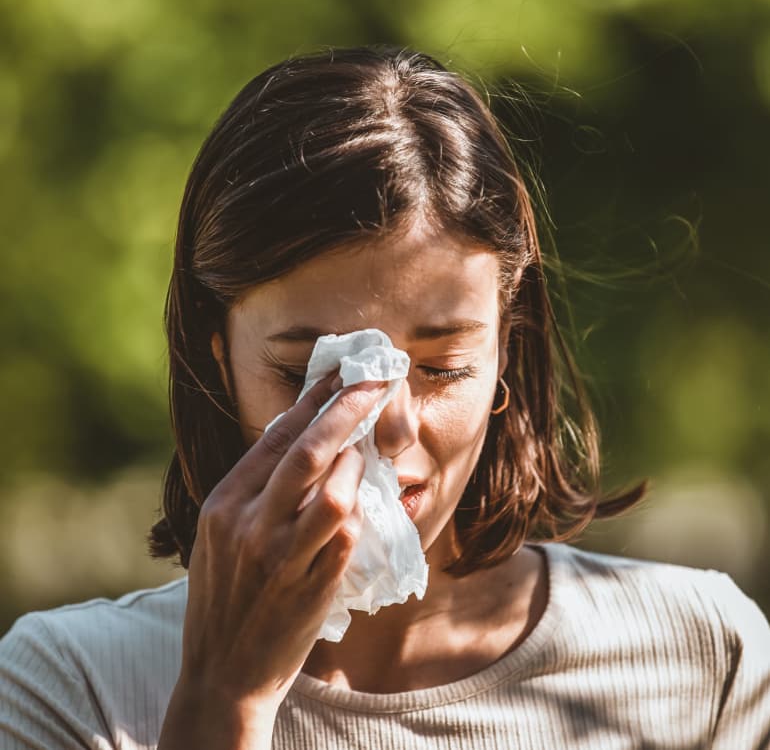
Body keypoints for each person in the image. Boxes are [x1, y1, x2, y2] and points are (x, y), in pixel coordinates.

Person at [1, 45, 768, 750]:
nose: (389, 422)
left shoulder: (700, 653)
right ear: (218, 355)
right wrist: (223, 700)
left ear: (507, 348)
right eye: (316, 373)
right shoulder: (71, 689)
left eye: (440, 367)